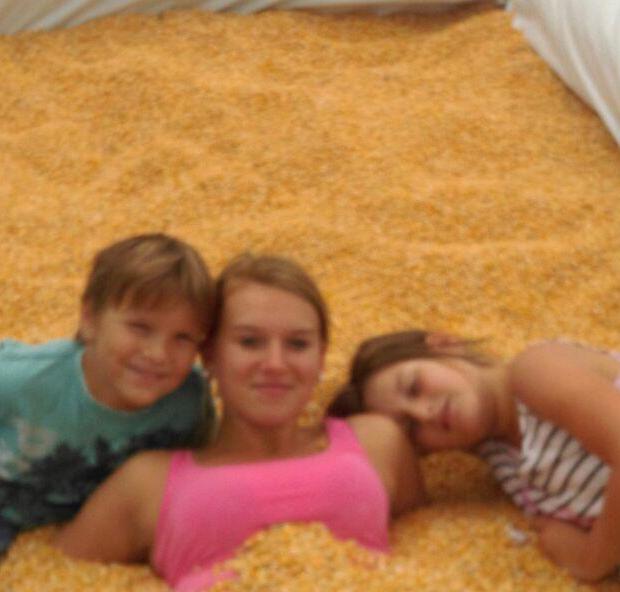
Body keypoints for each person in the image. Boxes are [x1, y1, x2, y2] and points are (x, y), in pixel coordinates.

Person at [54, 253, 426, 592]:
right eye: (250, 342)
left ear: (321, 357)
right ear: (210, 356)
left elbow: (436, 538)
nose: (276, 364)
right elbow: (52, 572)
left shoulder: (376, 442)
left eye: (298, 344)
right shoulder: (148, 482)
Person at [328, 329, 620, 582]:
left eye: (414, 387)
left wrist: (590, 558)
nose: (424, 413)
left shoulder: (534, 371)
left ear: (446, 345)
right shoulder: (506, 467)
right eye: (412, 429)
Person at [0, 233, 216, 554]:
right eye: (140, 327)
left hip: (85, 527)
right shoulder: (23, 379)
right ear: (90, 319)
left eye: (182, 338)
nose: (158, 353)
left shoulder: (188, 402)